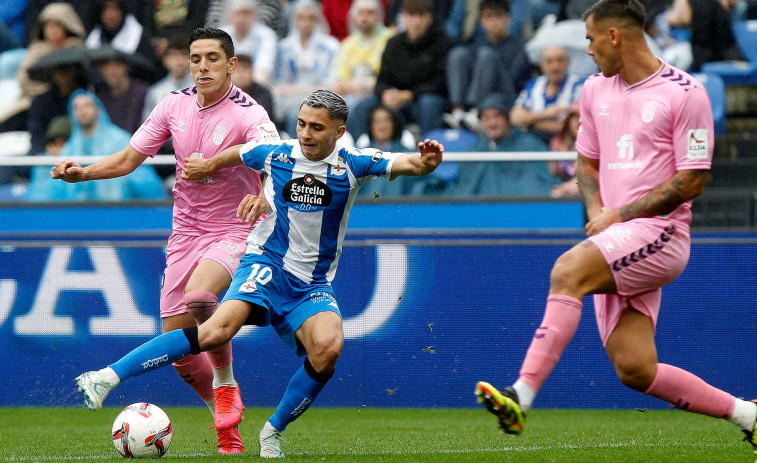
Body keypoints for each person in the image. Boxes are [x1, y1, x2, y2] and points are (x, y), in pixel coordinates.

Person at [73, 89, 445, 458]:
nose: (306, 134)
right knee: (215, 328)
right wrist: (210, 165)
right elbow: (242, 153)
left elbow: (407, 163)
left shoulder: (353, 162)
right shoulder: (279, 153)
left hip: (311, 284)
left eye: (317, 127)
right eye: (301, 124)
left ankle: (272, 431)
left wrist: (427, 161)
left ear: (339, 131)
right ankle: (107, 376)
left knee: (328, 348)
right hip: (265, 265)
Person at [474, 2, 757, 460]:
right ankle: (749, 416)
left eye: (589, 39)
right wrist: (597, 211)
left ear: (613, 36)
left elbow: (693, 180)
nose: (586, 50)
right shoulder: (594, 91)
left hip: (661, 234)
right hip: (617, 236)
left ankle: (520, 396)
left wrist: (618, 216)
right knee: (635, 369)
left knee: (567, 272)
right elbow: (586, 161)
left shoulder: (686, 93)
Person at [51, 26, 280, 455]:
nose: (202, 67)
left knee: (200, 299)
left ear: (231, 65)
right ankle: (224, 422)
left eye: (212, 58)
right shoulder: (173, 105)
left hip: (232, 229)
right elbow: (128, 159)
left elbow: (277, 163)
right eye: (196, 59)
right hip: (185, 233)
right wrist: (81, 171)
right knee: (179, 350)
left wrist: (263, 196)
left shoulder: (250, 114)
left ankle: (227, 383)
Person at [28, 91, 167, 201]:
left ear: (99, 110)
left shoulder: (121, 138)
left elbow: (145, 181)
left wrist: (123, 176)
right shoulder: (69, 147)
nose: (82, 111)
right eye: (77, 108)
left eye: (87, 106)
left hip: (119, 213)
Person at [348, 0, 453, 139]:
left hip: (421, 101)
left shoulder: (443, 43)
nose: (416, 21)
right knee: (364, 106)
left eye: (421, 16)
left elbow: (440, 83)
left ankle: (429, 151)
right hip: (395, 100)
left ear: (429, 18)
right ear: (403, 17)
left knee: (430, 102)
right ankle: (359, 151)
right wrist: (387, 93)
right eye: (411, 15)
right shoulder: (394, 43)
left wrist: (409, 94)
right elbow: (381, 81)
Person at [443, 0, 532, 134]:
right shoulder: (477, 45)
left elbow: (513, 81)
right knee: (458, 54)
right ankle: (458, 112)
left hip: (507, 97)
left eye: (498, 16)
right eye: (489, 17)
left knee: (487, 55)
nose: (494, 21)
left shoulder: (520, 47)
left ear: (508, 17)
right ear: (481, 20)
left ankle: (475, 112)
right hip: (482, 94)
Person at [0, 2, 85, 133]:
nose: (52, 29)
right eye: (48, 25)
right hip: (35, 102)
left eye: (57, 24)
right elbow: (24, 80)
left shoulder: (77, 49)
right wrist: (47, 88)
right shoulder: (36, 50)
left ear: (67, 25)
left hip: (70, 102)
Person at [452, 92, 558, 197]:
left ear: (508, 119)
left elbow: (541, 184)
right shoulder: (476, 149)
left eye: (497, 116)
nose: (492, 123)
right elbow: (463, 188)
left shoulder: (531, 145)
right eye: (487, 118)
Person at [272, 0, 340, 136]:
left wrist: (302, 92)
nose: (306, 23)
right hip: (289, 97)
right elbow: (280, 81)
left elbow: (332, 81)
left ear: (318, 20)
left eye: (311, 18)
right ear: (294, 20)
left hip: (320, 96)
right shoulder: (284, 47)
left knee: (295, 116)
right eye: (301, 18)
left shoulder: (331, 46)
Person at [510, 45, 584, 144]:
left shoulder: (580, 85)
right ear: (542, 65)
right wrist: (548, 113)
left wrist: (532, 123)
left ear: (567, 62)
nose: (555, 66)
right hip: (536, 143)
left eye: (560, 60)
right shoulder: (534, 84)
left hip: (569, 145)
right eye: (549, 61)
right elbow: (515, 117)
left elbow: (573, 127)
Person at [332, 0, 393, 108]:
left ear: (379, 15)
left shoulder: (390, 39)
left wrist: (357, 86)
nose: (364, 18)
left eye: (370, 13)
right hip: (351, 96)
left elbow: (390, 79)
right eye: (360, 12)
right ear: (354, 16)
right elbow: (341, 79)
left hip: (379, 96)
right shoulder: (347, 44)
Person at [92, 46, 151, 134]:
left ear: (126, 66)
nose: (112, 70)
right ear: (101, 70)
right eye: (106, 65)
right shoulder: (100, 97)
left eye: (117, 64)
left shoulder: (142, 92)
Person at [219, 0, 278, 86]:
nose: (241, 19)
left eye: (246, 14)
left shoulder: (266, 35)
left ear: (254, 15)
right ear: (229, 15)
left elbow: (263, 72)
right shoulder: (220, 34)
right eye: (237, 13)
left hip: (257, 88)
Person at [548, 100, 580, 198]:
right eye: (574, 118)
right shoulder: (557, 143)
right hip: (562, 195)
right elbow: (550, 174)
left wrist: (565, 189)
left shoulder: (597, 146)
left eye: (583, 118)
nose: (578, 122)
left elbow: (590, 179)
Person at [231, 53, 274, 119]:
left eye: (245, 69)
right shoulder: (222, 93)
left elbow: (258, 116)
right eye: (237, 70)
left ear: (252, 72)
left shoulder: (263, 93)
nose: (241, 74)